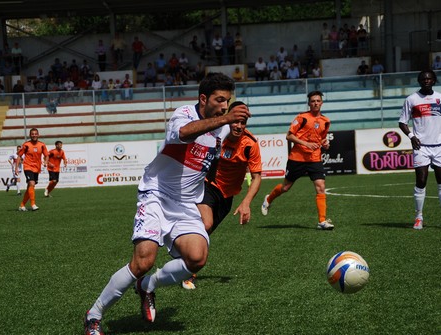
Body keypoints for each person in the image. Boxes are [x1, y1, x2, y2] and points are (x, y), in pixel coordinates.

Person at [83, 72, 251, 335]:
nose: (223, 105)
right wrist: (227, 118)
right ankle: (94, 315)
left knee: (197, 258)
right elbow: (183, 134)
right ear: (203, 98)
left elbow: (233, 127)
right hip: (156, 195)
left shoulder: (223, 124)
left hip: (185, 203)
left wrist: (238, 118)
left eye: (227, 101)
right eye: (219, 100)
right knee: (142, 262)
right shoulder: (184, 114)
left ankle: (148, 286)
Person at [181, 101, 262, 290]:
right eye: (236, 121)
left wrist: (246, 203)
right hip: (208, 186)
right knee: (205, 225)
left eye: (243, 123)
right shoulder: (217, 135)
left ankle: (183, 256)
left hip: (228, 196)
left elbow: (257, 177)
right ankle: (188, 273)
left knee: (204, 234)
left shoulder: (250, 144)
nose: (239, 126)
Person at [261, 90, 334, 230]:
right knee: (286, 187)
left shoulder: (326, 121)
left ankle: (322, 221)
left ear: (322, 103)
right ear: (309, 103)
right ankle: (269, 199)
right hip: (297, 158)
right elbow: (289, 136)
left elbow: (323, 139)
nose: (316, 103)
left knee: (321, 186)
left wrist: (325, 144)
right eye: (313, 101)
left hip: (315, 158)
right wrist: (306, 144)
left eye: (318, 101)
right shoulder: (302, 118)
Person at [398, 70, 441, 230]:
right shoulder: (412, 99)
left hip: (439, 146)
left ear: (434, 80)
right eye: (423, 79)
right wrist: (411, 136)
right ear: (419, 81)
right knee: (421, 181)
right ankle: (418, 217)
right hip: (420, 147)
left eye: (429, 78)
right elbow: (402, 122)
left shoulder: (440, 98)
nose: (426, 80)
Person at [16, 128, 49, 211]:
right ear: (30, 135)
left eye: (35, 134)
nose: (34, 135)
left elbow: (46, 155)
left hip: (37, 168)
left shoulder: (42, 145)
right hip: (27, 166)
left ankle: (22, 205)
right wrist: (16, 168)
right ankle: (33, 204)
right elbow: (19, 156)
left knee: (30, 187)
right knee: (32, 183)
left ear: (38, 135)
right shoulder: (26, 144)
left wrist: (45, 161)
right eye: (32, 134)